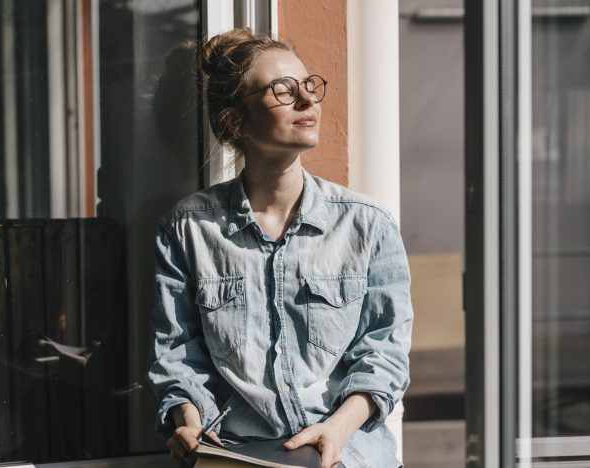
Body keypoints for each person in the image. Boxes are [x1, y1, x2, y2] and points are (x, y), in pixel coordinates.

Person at [147, 28, 413, 468]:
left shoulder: (366, 225)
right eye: (283, 91)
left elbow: (384, 354)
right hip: (238, 455)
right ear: (236, 122)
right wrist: (189, 423)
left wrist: (335, 432)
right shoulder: (187, 229)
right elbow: (178, 355)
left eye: (309, 86)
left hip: (348, 454)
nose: (308, 102)